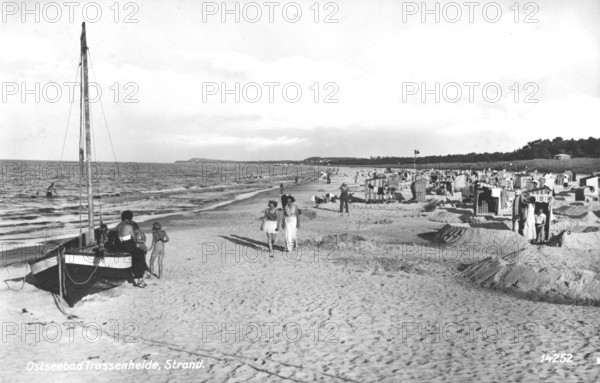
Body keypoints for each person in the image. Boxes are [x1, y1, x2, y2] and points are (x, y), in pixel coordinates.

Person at [115, 211, 147, 287]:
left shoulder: (118, 226)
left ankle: (134, 274)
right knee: (140, 257)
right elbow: (134, 239)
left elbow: (119, 238)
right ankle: (139, 279)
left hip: (121, 246)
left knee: (134, 257)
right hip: (129, 245)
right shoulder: (129, 226)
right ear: (129, 218)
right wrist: (140, 242)